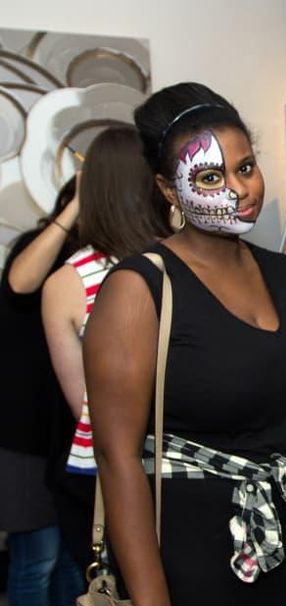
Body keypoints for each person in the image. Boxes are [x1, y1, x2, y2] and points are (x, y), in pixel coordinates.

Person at [83, 83, 286, 606]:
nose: (239, 189)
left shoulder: (283, 274)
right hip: (193, 565)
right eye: (212, 176)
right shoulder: (139, 289)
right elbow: (116, 456)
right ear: (170, 189)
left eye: (246, 168)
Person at [41, 126, 169, 570]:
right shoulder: (183, 260)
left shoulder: (65, 283)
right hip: (190, 463)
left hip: (108, 472)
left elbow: (84, 405)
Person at [0, 179, 97, 606]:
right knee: (34, 563)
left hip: (65, 438)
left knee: (67, 561)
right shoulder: (37, 250)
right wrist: (77, 204)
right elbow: (18, 285)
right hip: (20, 438)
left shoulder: (101, 260)